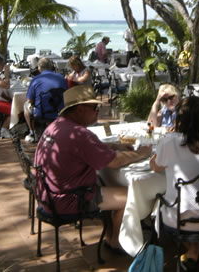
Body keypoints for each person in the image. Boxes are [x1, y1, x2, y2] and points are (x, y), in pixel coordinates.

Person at [34, 85, 152, 251]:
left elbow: (85, 150)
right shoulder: (79, 134)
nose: (98, 111)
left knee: (105, 183)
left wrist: (112, 145)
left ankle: (111, 234)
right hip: (67, 199)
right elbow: (114, 162)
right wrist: (141, 154)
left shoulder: (57, 126)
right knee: (130, 197)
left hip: (47, 194)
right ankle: (115, 242)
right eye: (95, 107)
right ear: (81, 109)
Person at [150, 96, 199, 270]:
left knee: (162, 201)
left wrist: (154, 154)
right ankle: (195, 249)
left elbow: (156, 167)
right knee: (192, 201)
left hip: (182, 219)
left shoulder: (170, 141)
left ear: (180, 119)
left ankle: (192, 249)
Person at [23, 57, 68, 143]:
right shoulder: (62, 78)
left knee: (25, 105)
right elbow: (66, 95)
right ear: (51, 66)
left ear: (39, 68)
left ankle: (32, 132)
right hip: (60, 112)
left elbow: (30, 100)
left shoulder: (36, 79)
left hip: (41, 114)